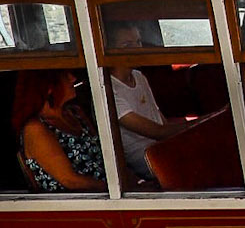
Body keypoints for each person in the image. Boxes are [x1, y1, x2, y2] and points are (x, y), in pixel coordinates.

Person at [104, 21, 190, 180]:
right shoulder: (109, 89)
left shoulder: (139, 77)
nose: (137, 49)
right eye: (127, 45)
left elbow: (161, 121)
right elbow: (157, 131)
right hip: (147, 157)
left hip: (164, 146)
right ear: (110, 50)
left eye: (138, 42)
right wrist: (204, 123)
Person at [13, 70, 105, 192]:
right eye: (65, 76)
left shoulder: (75, 113)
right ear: (48, 87)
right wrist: (113, 187)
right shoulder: (35, 128)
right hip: (78, 200)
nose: (73, 78)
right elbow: (70, 180)